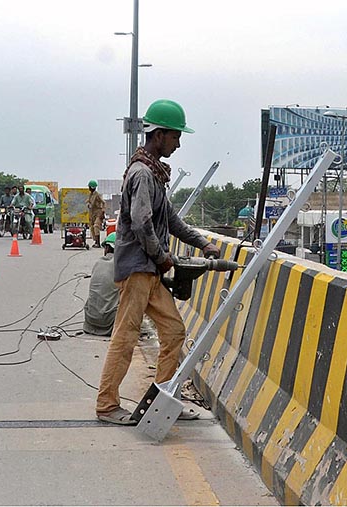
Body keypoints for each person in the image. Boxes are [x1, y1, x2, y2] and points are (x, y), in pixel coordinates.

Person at [96, 99, 220, 425]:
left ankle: (162, 402)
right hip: (139, 270)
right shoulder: (141, 174)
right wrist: (163, 258)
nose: (178, 144)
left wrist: (203, 244)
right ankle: (107, 405)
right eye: (175, 136)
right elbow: (141, 223)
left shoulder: (154, 174)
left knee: (175, 332)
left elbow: (171, 221)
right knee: (125, 336)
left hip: (149, 271)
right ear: (159, 134)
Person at [83, 232, 118, 336]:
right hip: (109, 322)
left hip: (90, 320)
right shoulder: (121, 265)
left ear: (106, 249)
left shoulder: (98, 262)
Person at [86, 180, 105, 248]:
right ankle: (95, 241)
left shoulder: (97, 195)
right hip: (92, 213)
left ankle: (98, 243)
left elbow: (103, 202)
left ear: (92, 187)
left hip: (98, 213)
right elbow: (88, 201)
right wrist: (88, 203)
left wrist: (103, 211)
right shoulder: (90, 195)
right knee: (91, 228)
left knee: (96, 226)